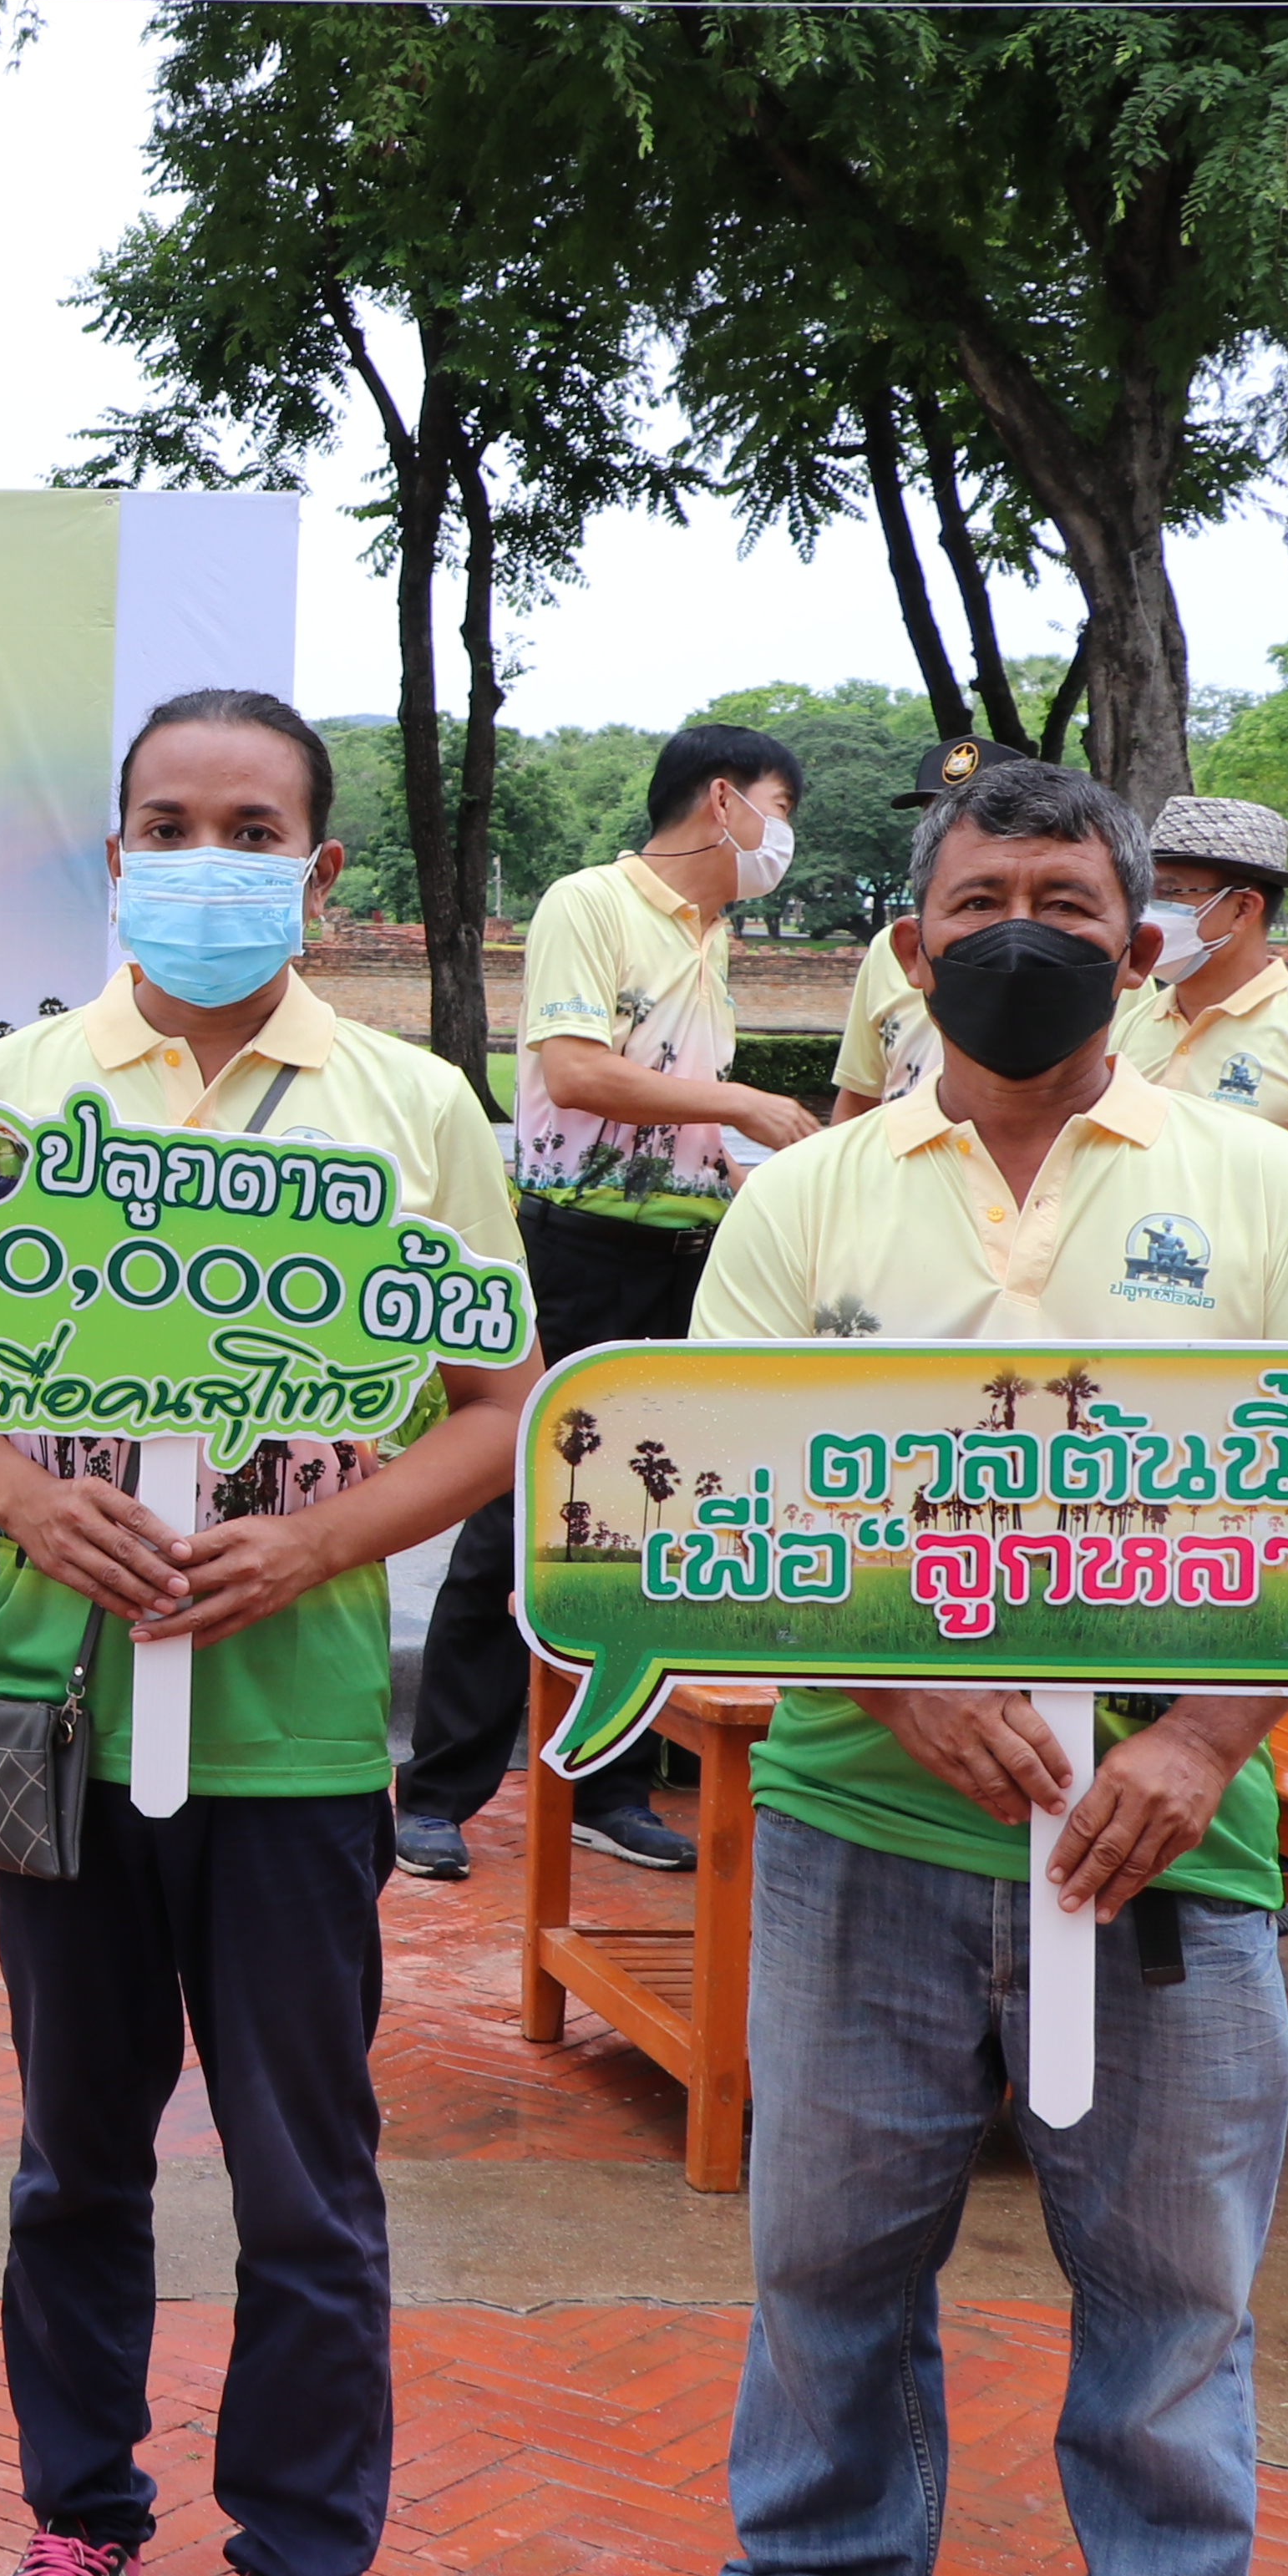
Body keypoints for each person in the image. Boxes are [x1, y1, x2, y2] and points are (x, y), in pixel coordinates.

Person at [638, 756, 1288, 2576]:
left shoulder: (1263, 1196)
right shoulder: (808, 1197)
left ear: (1143, 941)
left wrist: (1189, 1740)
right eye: (979, 898)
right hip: (860, 1832)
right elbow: (710, 1499)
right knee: (826, 2258)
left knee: (1169, 2293)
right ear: (908, 941)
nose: (1022, 932)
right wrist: (890, 1678)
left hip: (1169, 1844)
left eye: (1067, 893)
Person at [0, 689, 533, 2576]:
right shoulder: (10, 1088)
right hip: (55, 1716)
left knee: (300, 2179)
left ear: (319, 872)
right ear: (117, 851)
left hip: (296, 1735)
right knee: (74, 2159)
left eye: (252, 823)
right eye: (170, 818)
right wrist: (24, 1494)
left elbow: (501, 1410)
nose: (208, 849)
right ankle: (80, 2520)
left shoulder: (413, 1107)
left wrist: (320, 1550)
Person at [393, 722, 814, 1881]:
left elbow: (671, 1118)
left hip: (687, 1256)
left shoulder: (710, 936)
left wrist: (749, 1176)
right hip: (579, 1249)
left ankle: (607, 1783)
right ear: (722, 803)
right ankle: (434, 1791)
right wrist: (742, 1106)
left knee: (636, 1530)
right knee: (518, 1514)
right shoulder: (594, 901)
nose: (785, 839)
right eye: (779, 809)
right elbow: (574, 1071)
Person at [1113, 795, 1288, 1262]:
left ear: (1243, 909)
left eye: (1170, 893)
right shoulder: (1136, 1024)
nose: (1146, 913)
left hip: (1267, 1312)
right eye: (1143, 895)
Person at [833, 736, 1055, 1120]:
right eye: (933, 822)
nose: (946, 841)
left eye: (978, 821)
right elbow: (861, 1095)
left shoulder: (1082, 951)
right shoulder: (892, 945)